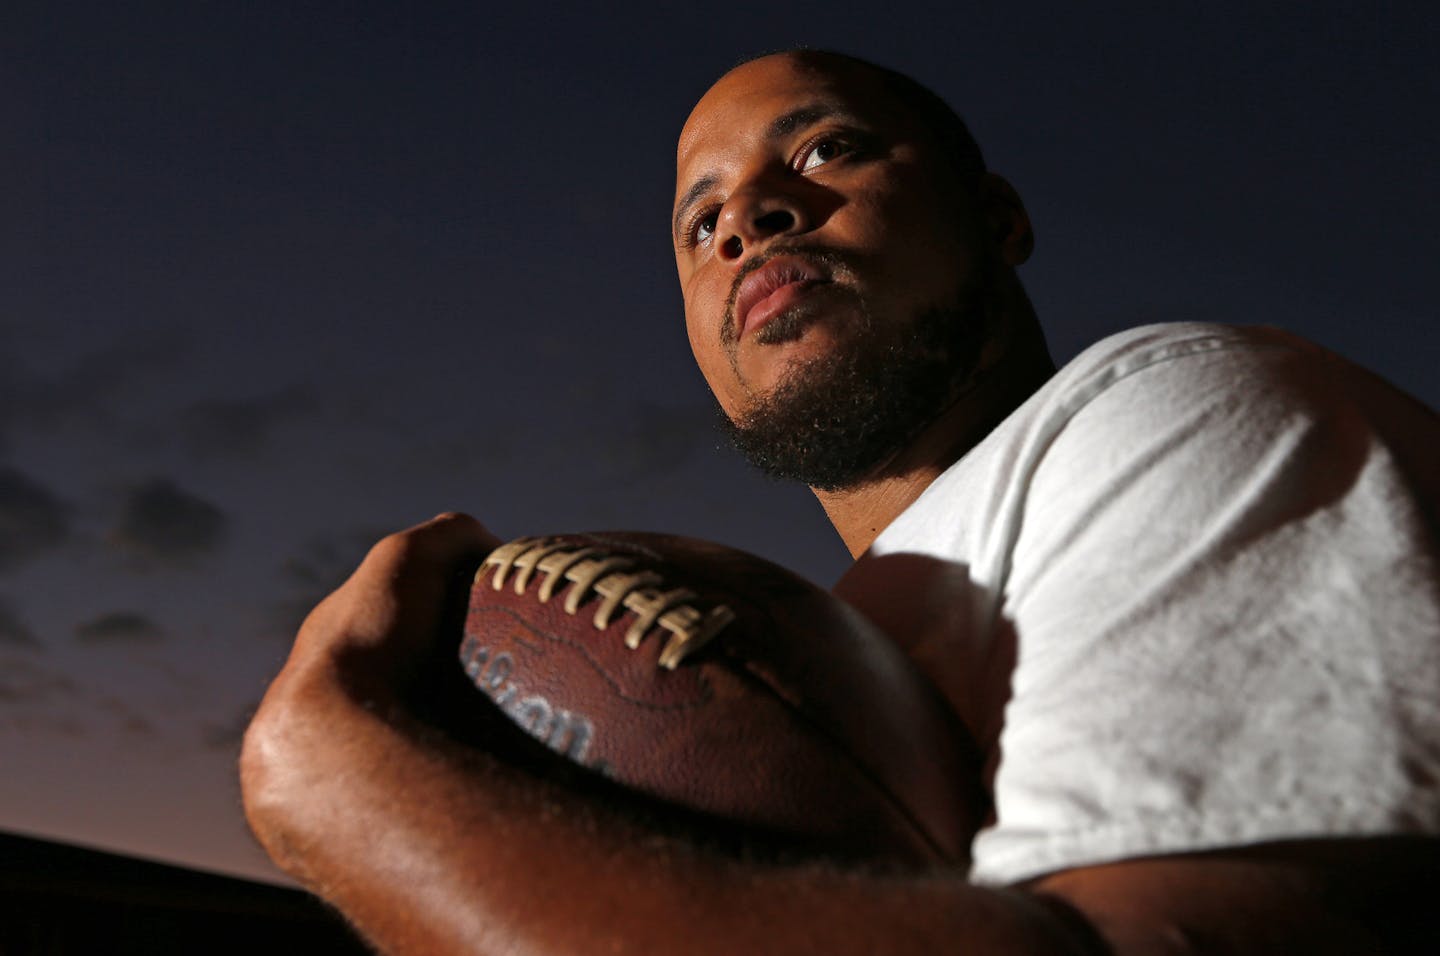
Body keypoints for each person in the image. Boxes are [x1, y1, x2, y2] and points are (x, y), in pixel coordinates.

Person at [240, 50, 1440, 954]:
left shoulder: (1176, 406)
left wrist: (353, 793)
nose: (749, 219)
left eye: (824, 154)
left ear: (998, 217)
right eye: (700, 221)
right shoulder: (846, 632)